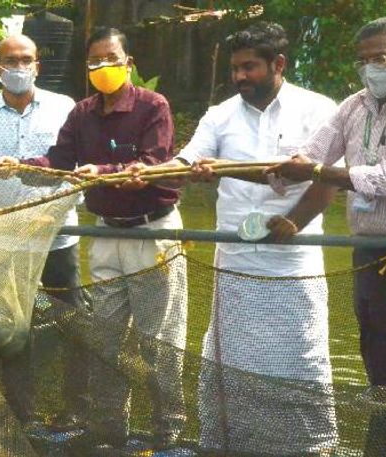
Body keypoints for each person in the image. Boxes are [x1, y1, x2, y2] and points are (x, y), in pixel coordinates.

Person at [127, 22, 338, 455]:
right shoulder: (220, 113)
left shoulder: (317, 110)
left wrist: (295, 221)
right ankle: (232, 443)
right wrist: (147, 172)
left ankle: (304, 448)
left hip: (292, 264)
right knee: (233, 360)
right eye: (235, 69)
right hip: (235, 260)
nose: (240, 77)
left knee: (298, 359)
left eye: (250, 67)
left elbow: (329, 179)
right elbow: (188, 159)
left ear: (278, 64)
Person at [0, 27, 187, 452]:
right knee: (106, 338)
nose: (104, 68)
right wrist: (22, 167)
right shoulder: (82, 113)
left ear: (128, 62)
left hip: (151, 231)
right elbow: (59, 161)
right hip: (103, 232)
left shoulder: (154, 106)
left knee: (160, 340)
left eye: (111, 59)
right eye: (95, 62)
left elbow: (153, 165)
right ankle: (107, 430)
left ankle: (167, 430)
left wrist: (99, 172)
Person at [258, 16, 386, 454]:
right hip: (370, 244)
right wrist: (278, 171)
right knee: (377, 349)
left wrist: (316, 171)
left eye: (381, 58)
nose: (370, 69)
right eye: (362, 61)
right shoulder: (355, 105)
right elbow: (313, 153)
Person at [0, 34, 86, 428]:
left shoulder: (65, 108)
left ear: (37, 66)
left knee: (73, 321)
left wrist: (55, 211)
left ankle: (76, 409)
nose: (18, 67)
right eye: (10, 61)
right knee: (13, 326)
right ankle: (20, 413)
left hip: (57, 234)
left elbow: (75, 168)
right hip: (7, 237)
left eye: (25, 59)